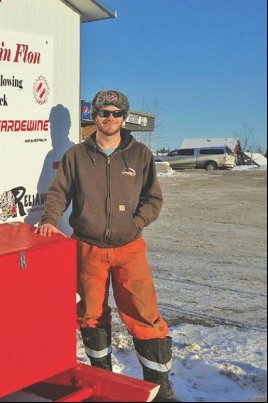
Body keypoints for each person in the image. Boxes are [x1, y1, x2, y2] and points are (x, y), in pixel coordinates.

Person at [34, 90, 180, 402]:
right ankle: (102, 379)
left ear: (124, 117)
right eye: (103, 112)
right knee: (90, 314)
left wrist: (136, 223)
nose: (109, 118)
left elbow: (153, 199)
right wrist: (49, 218)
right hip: (88, 247)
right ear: (94, 117)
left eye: (116, 113)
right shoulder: (75, 156)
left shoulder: (140, 155)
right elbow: (59, 192)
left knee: (145, 315)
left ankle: (160, 388)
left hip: (130, 248)